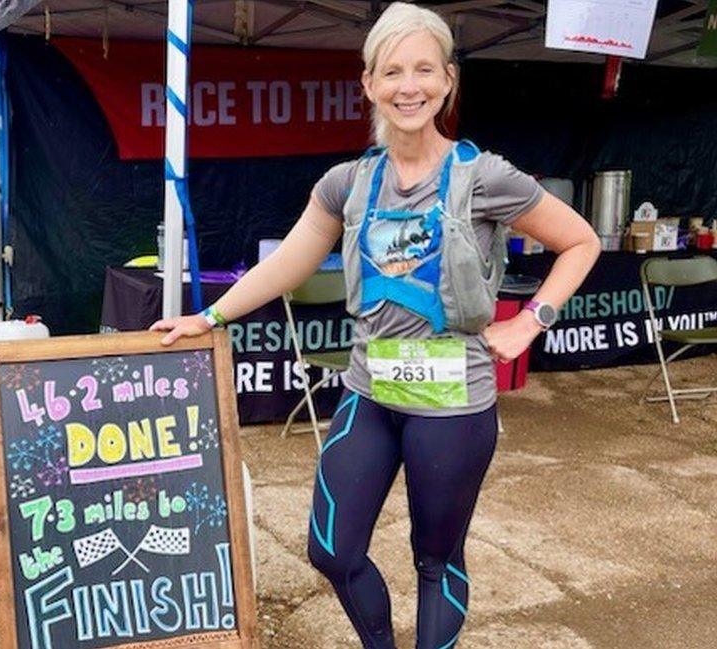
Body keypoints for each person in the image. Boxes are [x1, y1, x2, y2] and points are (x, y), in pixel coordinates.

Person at [150, 3, 600, 647]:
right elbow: (290, 263)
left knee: (435, 561)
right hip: (370, 394)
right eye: (392, 72)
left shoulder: (484, 177)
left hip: (451, 404)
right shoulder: (348, 183)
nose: (408, 86)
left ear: (447, 80)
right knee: (331, 551)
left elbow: (580, 242)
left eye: (423, 70)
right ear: (368, 84)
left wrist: (531, 322)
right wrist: (208, 315)